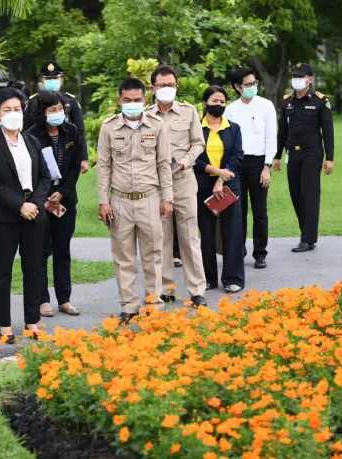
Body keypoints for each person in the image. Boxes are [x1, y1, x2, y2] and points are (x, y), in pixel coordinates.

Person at [0, 87, 51, 344]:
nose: (13, 113)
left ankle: (32, 322)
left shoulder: (32, 142)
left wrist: (34, 204)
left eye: (17, 109)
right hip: (4, 216)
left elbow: (45, 177)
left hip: (34, 214)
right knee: (3, 271)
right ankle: (4, 324)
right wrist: (20, 205)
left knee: (33, 269)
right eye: (7, 109)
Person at [97, 78, 173, 323]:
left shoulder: (157, 125)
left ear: (145, 99)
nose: (132, 104)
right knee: (124, 257)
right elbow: (104, 167)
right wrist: (103, 201)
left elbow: (164, 164)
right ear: (120, 100)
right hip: (120, 201)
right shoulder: (109, 127)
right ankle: (129, 306)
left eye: (137, 100)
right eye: (127, 100)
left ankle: (153, 304)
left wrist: (167, 198)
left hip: (150, 198)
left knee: (153, 255)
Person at [146, 65, 207, 307]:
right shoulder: (145, 115)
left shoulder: (188, 112)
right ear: (153, 88)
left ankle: (197, 290)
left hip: (183, 180)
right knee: (160, 238)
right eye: (162, 85)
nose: (166, 89)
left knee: (189, 237)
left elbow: (198, 143)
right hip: (157, 185)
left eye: (170, 85)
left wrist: (184, 161)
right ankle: (165, 290)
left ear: (177, 86)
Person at [25, 91, 83, 317]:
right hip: (41, 200)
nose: (58, 113)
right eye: (52, 109)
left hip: (65, 199)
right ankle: (43, 300)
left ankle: (64, 299)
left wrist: (62, 193)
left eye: (60, 108)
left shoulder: (72, 131)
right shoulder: (31, 135)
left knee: (62, 249)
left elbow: (76, 166)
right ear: (42, 113)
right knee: (41, 251)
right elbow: (31, 170)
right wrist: (48, 195)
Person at [274, 63, 334, 253]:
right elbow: (282, 131)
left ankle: (308, 238)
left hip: (312, 152)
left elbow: (328, 131)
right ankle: (306, 233)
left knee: (309, 195)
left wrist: (330, 158)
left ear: (310, 79)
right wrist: (277, 156)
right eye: (295, 76)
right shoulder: (287, 102)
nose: (297, 80)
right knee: (296, 195)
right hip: (292, 153)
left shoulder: (320, 101)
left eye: (301, 76)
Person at [195, 86, 245, 294]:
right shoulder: (196, 128)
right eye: (214, 101)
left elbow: (237, 155)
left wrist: (221, 179)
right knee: (206, 234)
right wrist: (215, 172)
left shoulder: (234, 128)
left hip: (229, 186)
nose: (219, 105)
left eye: (222, 102)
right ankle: (208, 278)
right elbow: (194, 158)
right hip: (202, 185)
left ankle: (233, 278)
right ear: (205, 103)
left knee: (232, 232)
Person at [226, 66, 277, 269]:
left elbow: (271, 137)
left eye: (254, 83)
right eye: (247, 84)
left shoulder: (266, 106)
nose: (252, 87)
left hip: (259, 163)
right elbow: (228, 142)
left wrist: (267, 167)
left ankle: (260, 253)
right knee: (239, 211)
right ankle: (239, 250)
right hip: (237, 164)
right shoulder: (230, 110)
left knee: (260, 211)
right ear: (238, 87)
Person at [23, 60, 89, 174]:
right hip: (40, 149)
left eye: (55, 78)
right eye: (48, 79)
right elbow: (26, 131)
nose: (52, 81)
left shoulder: (71, 101)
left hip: (65, 149)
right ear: (43, 81)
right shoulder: (33, 102)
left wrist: (83, 157)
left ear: (61, 80)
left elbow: (80, 131)